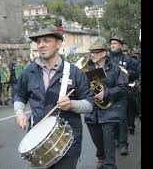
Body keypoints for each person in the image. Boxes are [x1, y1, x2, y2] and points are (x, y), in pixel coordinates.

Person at [14, 24, 94, 169]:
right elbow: (19, 95)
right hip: (38, 142)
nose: (41, 45)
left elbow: (89, 104)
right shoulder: (29, 72)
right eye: (38, 42)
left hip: (67, 140)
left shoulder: (74, 72)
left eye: (46, 40)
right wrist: (20, 113)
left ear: (58, 44)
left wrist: (72, 104)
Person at [84, 39, 128, 169]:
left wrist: (107, 92)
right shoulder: (87, 68)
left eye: (95, 52)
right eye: (91, 52)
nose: (92, 55)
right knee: (97, 139)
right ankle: (101, 157)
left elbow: (123, 87)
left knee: (108, 140)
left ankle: (110, 165)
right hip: (92, 110)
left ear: (104, 53)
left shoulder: (115, 69)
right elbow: (83, 87)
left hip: (110, 109)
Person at [109, 36, 140, 155]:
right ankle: (116, 139)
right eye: (111, 43)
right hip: (110, 93)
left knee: (122, 119)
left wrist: (125, 72)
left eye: (115, 43)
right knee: (111, 119)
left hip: (123, 93)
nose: (112, 45)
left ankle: (123, 144)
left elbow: (136, 73)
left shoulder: (128, 60)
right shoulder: (107, 59)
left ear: (121, 46)